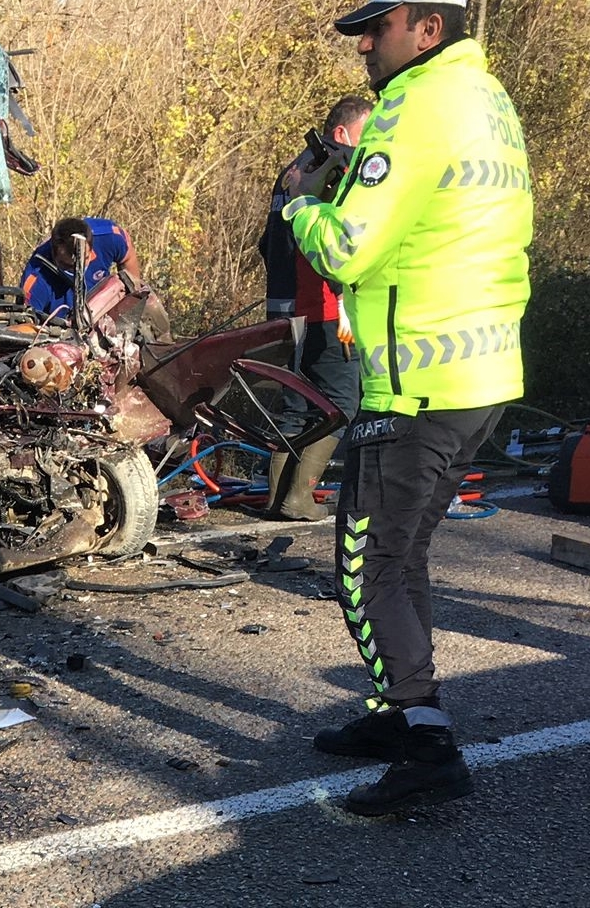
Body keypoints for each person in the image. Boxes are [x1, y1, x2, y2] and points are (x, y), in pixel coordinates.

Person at [283, 0, 532, 815]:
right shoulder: (486, 99)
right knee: (405, 554)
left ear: (428, 29)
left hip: (415, 380)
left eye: (376, 26)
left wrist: (298, 203)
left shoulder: (414, 107)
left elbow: (347, 246)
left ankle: (425, 745)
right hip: (481, 371)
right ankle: (401, 712)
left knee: (367, 566)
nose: (362, 41)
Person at [260, 95, 373, 521]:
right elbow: (338, 242)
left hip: (282, 310)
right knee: (341, 403)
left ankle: (277, 499)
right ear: (342, 134)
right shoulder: (337, 167)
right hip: (327, 309)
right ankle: (299, 498)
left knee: (296, 405)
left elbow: (265, 244)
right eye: (367, 134)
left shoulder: (292, 171)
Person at [19, 216, 141, 319]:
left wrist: (132, 306)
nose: (77, 269)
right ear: (53, 254)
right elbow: (25, 324)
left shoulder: (108, 237)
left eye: (84, 260)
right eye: (68, 266)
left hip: (103, 315)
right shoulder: (36, 278)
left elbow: (128, 256)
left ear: (92, 248)